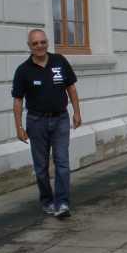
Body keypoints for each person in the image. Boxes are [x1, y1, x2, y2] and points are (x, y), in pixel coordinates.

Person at [12, 28, 81, 218]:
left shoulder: (60, 61)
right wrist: (18, 127)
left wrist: (77, 112)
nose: (40, 46)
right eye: (35, 43)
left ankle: (63, 203)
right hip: (36, 122)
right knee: (41, 167)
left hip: (60, 119)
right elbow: (18, 101)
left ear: (47, 42)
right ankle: (47, 200)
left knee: (62, 163)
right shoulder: (23, 70)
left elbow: (71, 89)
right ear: (29, 46)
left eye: (43, 42)